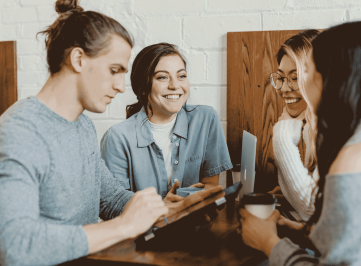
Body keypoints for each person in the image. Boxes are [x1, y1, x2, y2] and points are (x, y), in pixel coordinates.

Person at [0, 1, 185, 265]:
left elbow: (109, 198)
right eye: (114, 70)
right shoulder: (20, 132)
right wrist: (124, 227)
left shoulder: (83, 126)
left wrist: (164, 209)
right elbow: (15, 247)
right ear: (78, 59)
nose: (122, 87)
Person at [239, 21, 361, 265]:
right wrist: (303, 232)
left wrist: (268, 242)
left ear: (335, 79)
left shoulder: (358, 157)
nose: (296, 85)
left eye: (309, 71)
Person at [100, 43, 232, 200]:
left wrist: (199, 194)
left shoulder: (206, 119)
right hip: (147, 225)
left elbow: (211, 186)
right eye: (162, 77)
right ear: (143, 87)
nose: (175, 85)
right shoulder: (117, 137)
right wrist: (165, 208)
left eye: (181, 76)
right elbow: (115, 204)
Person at [269, 30, 319, 221]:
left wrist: (282, 134)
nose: (284, 88)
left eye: (295, 77)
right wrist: (290, 193)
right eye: (280, 77)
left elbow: (312, 210)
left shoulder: (335, 128)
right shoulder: (311, 125)